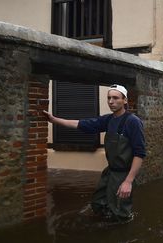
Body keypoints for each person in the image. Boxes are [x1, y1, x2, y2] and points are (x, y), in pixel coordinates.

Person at [43, 84, 145, 222]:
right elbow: (81, 124)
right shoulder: (108, 120)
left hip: (123, 174)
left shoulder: (133, 122)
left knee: (120, 213)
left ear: (124, 100)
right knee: (98, 203)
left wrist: (128, 181)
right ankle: (105, 227)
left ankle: (122, 231)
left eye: (115, 98)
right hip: (110, 172)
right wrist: (54, 120)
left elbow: (139, 154)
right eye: (109, 98)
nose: (111, 101)